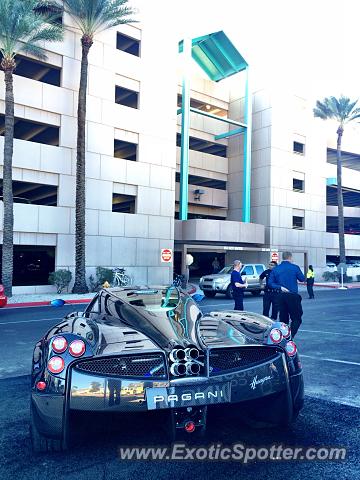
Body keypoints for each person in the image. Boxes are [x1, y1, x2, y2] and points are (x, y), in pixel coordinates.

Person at [268, 252, 305, 337]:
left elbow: (270, 283)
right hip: (292, 295)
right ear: (290, 257)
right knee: (296, 318)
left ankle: (284, 336)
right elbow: (302, 279)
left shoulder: (275, 269)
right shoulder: (295, 267)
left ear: (283, 257)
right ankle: (290, 336)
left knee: (283, 318)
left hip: (280, 296)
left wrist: (279, 287)